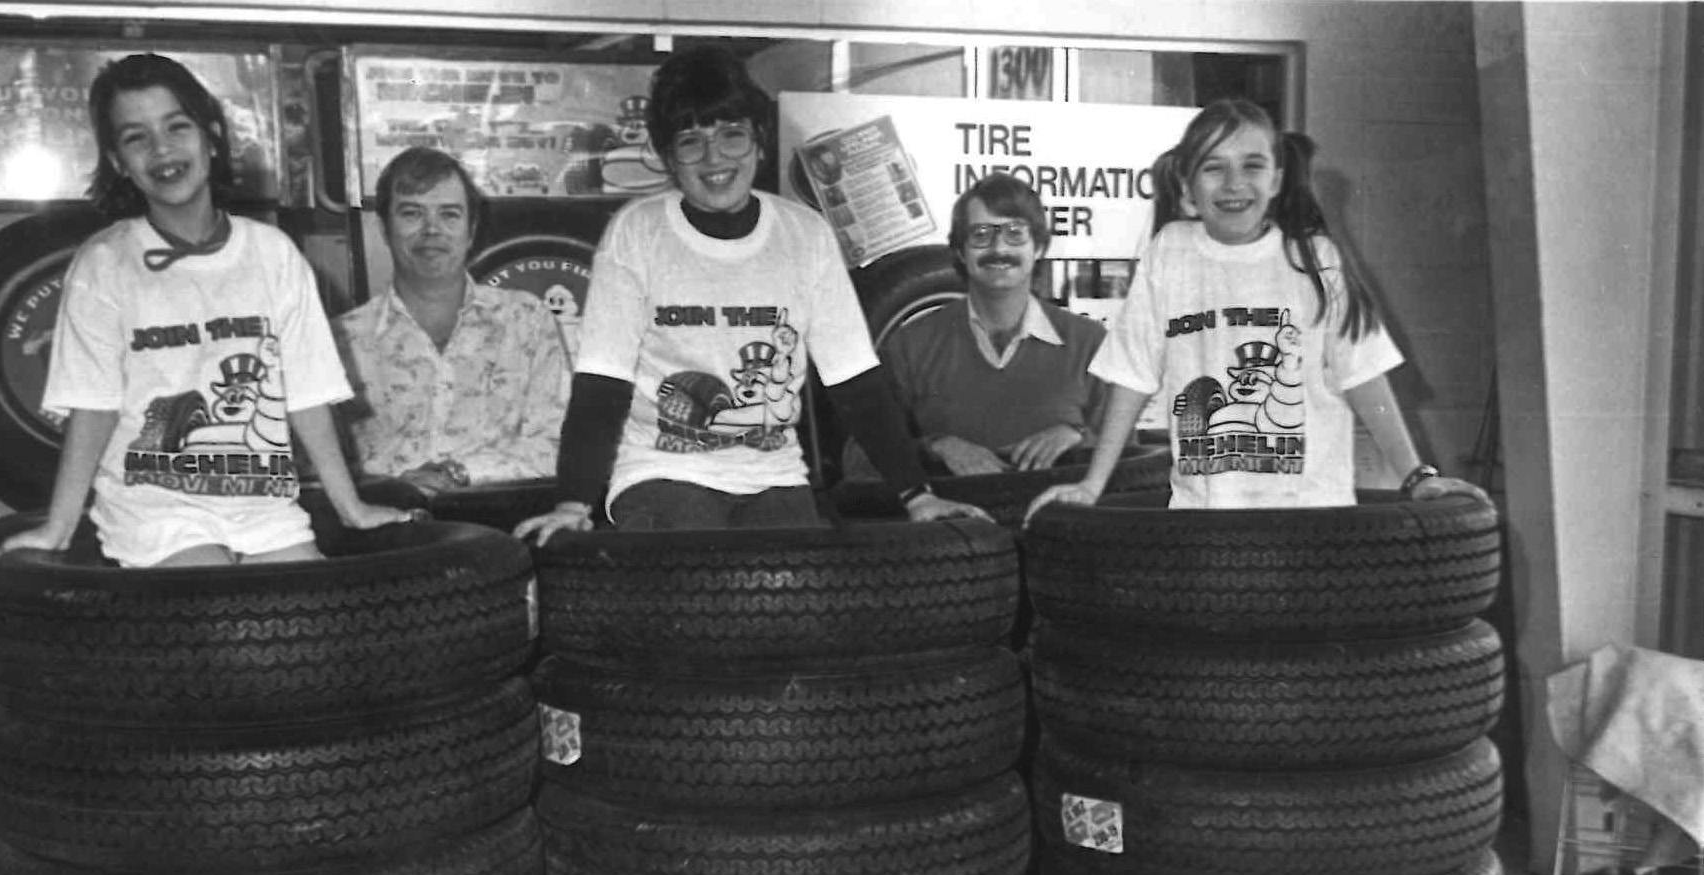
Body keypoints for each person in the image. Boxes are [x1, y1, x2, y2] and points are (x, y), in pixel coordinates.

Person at [512, 46, 985, 543]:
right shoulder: (636, 232)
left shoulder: (806, 235)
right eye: (690, 142)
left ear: (758, 142)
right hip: (660, 473)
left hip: (773, 475)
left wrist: (918, 495)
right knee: (702, 579)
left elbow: (856, 383)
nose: (714, 158)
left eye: (731, 135)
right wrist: (573, 501)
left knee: (794, 600)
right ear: (669, 158)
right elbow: (600, 385)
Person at [0, 54, 409, 566]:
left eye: (177, 126)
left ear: (211, 136)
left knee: (309, 625)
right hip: (154, 510)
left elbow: (306, 390)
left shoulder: (272, 252)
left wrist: (352, 508)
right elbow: (93, 404)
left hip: (264, 508)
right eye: (136, 137)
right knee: (216, 612)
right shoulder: (104, 263)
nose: (162, 150)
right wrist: (57, 528)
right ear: (119, 161)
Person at [1023, 99, 1489, 521]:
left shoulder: (1313, 257)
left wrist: (1416, 476)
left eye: (1252, 165)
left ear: (1277, 178)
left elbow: (1363, 375)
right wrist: (1091, 484)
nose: (1233, 184)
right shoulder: (1170, 252)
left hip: (1311, 513)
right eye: (1213, 168)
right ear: (1187, 185)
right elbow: (1132, 377)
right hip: (1203, 514)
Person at [331, 146, 570, 494]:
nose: (432, 230)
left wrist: (454, 473)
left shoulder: (526, 321)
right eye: (412, 214)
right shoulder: (341, 340)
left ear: (471, 230)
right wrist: (397, 491)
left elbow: (558, 446)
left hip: (503, 520)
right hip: (387, 529)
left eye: (450, 215)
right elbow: (320, 466)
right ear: (384, 228)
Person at [843, 172, 1108, 479]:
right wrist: (935, 447)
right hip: (955, 524)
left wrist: (1079, 438)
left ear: (1038, 248)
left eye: (1015, 233)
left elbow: (1130, 465)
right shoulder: (910, 346)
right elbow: (857, 460)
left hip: (1065, 523)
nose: (999, 248)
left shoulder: (1090, 343)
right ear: (960, 252)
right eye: (981, 235)